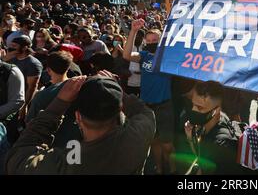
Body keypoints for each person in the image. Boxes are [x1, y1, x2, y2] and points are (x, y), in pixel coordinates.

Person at [6, 74, 156, 174]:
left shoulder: (64, 164)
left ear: (78, 117)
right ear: (119, 110)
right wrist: (115, 91)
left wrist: (58, 104)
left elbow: (19, 157)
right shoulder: (137, 137)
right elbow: (144, 112)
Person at [124, 20, 175, 175]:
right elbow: (126, 55)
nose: (152, 43)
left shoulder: (168, 56)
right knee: (154, 142)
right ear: (145, 41)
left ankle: (172, 170)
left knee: (167, 145)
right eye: (150, 40)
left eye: (156, 40)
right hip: (147, 106)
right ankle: (159, 169)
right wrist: (133, 31)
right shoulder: (144, 55)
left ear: (161, 41)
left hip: (164, 105)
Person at [180, 81, 251, 175]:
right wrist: (191, 138)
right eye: (193, 104)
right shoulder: (208, 123)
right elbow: (201, 157)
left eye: (199, 107)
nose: (193, 110)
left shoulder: (221, 146)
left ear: (215, 110)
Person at [26, 51, 81, 147]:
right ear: (68, 68)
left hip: (52, 145)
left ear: (48, 70)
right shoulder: (79, 87)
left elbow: (30, 122)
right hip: (77, 142)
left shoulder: (41, 96)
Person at [3, 36, 42, 120]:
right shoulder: (11, 58)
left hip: (19, 100)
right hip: (7, 96)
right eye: (11, 45)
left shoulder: (33, 64)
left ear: (24, 48)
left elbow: (32, 87)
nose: (11, 48)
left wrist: (24, 106)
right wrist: (4, 59)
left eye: (14, 46)